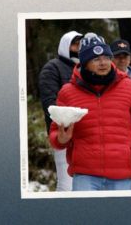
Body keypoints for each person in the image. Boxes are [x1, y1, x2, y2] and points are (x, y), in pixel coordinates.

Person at [49, 33, 131, 191]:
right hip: (85, 175)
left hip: (122, 174)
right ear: (84, 62)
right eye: (96, 59)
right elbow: (55, 134)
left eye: (107, 57)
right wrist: (61, 139)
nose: (103, 63)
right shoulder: (68, 92)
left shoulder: (129, 87)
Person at [38, 30, 83, 191]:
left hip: (86, 137)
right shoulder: (53, 68)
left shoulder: (87, 68)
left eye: (81, 43)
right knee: (67, 185)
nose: (79, 47)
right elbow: (50, 104)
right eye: (75, 43)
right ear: (66, 45)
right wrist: (59, 132)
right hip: (63, 135)